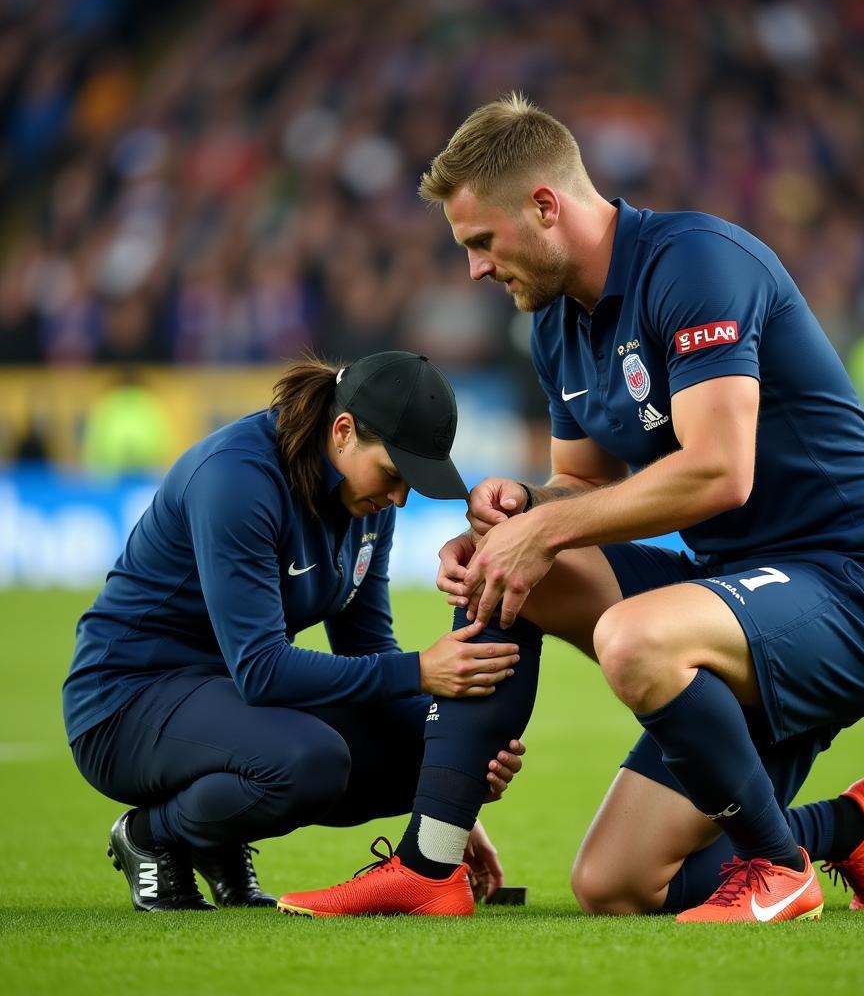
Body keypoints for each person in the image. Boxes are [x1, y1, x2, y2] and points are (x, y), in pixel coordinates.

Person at [280, 94, 864, 924]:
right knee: (616, 887)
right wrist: (524, 507)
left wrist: (546, 527)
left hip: (857, 593)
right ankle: (432, 864)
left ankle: (779, 868)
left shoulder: (694, 264)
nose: (476, 269)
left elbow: (718, 474)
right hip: (735, 599)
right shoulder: (556, 324)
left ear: (546, 206)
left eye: (482, 241)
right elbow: (582, 492)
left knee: (628, 632)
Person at [63, 350, 525, 913]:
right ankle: (154, 834)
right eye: (395, 473)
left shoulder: (368, 501)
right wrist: (423, 672)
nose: (400, 497)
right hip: (125, 701)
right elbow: (262, 670)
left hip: (223, 700)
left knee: (443, 747)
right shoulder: (237, 478)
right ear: (343, 430)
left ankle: (216, 838)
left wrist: (450, 793)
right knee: (308, 760)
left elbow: (366, 649)